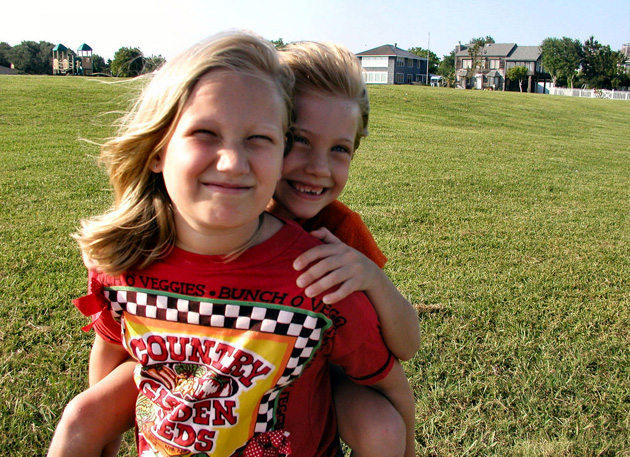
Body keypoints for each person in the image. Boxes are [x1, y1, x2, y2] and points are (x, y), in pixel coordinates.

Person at [47, 31, 414, 457]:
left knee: (379, 426)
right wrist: (111, 425)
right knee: (79, 417)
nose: (316, 168)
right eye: (300, 141)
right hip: (205, 369)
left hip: (322, 370)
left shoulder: (332, 245)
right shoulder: (156, 238)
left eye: (339, 149)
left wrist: (370, 275)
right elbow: (111, 349)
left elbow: (399, 352)